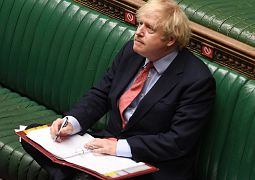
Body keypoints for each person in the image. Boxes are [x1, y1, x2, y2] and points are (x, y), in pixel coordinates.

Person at [21, 0, 216, 179]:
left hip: (152, 165)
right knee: (32, 137)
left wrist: (119, 147)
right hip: (107, 146)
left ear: (170, 39)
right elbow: (101, 94)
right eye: (140, 24)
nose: (138, 32)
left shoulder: (196, 80)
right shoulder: (132, 52)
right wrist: (72, 122)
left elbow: (177, 141)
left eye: (149, 28)